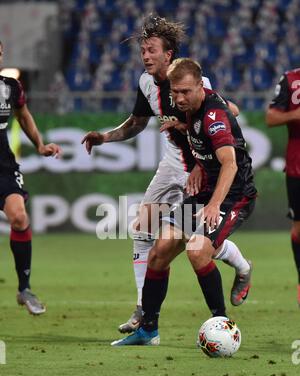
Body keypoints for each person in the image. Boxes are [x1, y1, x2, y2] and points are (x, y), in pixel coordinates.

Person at [82, 15, 252, 333]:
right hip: (173, 163)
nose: (145, 56)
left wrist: (201, 162)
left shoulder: (193, 81)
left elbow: (229, 113)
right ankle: (142, 310)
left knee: (195, 243)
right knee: (144, 230)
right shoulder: (147, 84)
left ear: (168, 54)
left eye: (151, 50)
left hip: (202, 168)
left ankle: (241, 266)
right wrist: (105, 137)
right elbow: (136, 123)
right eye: (142, 51)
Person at [111, 58, 257, 346]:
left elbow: (229, 165)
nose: (178, 98)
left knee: (197, 251)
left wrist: (214, 205)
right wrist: (183, 128)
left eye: (185, 92)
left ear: (200, 87)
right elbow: (214, 125)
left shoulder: (215, 118)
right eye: (175, 92)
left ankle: (224, 326)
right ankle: (148, 330)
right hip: (203, 190)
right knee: (159, 250)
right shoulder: (188, 107)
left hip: (233, 195)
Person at [0, 40, 61, 314]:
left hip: (3, 166)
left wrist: (39, 144)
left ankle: (24, 288)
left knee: (20, 217)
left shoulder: (10, 87)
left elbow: (23, 115)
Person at [266, 68, 300, 306]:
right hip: (298, 168)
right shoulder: (291, 79)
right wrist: (296, 115)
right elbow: (271, 117)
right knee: (298, 230)